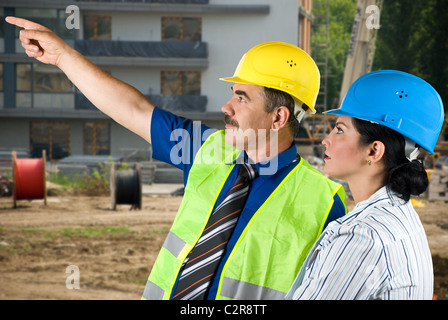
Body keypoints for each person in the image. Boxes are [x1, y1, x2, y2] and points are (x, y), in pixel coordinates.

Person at [7, 16, 348, 300]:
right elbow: (133, 109)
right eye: (232, 94)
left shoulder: (324, 203)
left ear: (279, 118)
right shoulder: (207, 149)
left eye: (242, 98)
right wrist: (63, 56)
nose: (226, 108)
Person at [286, 70, 445, 300]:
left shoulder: (362, 236)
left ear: (374, 150)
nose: (326, 139)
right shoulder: (399, 215)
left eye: (340, 130)